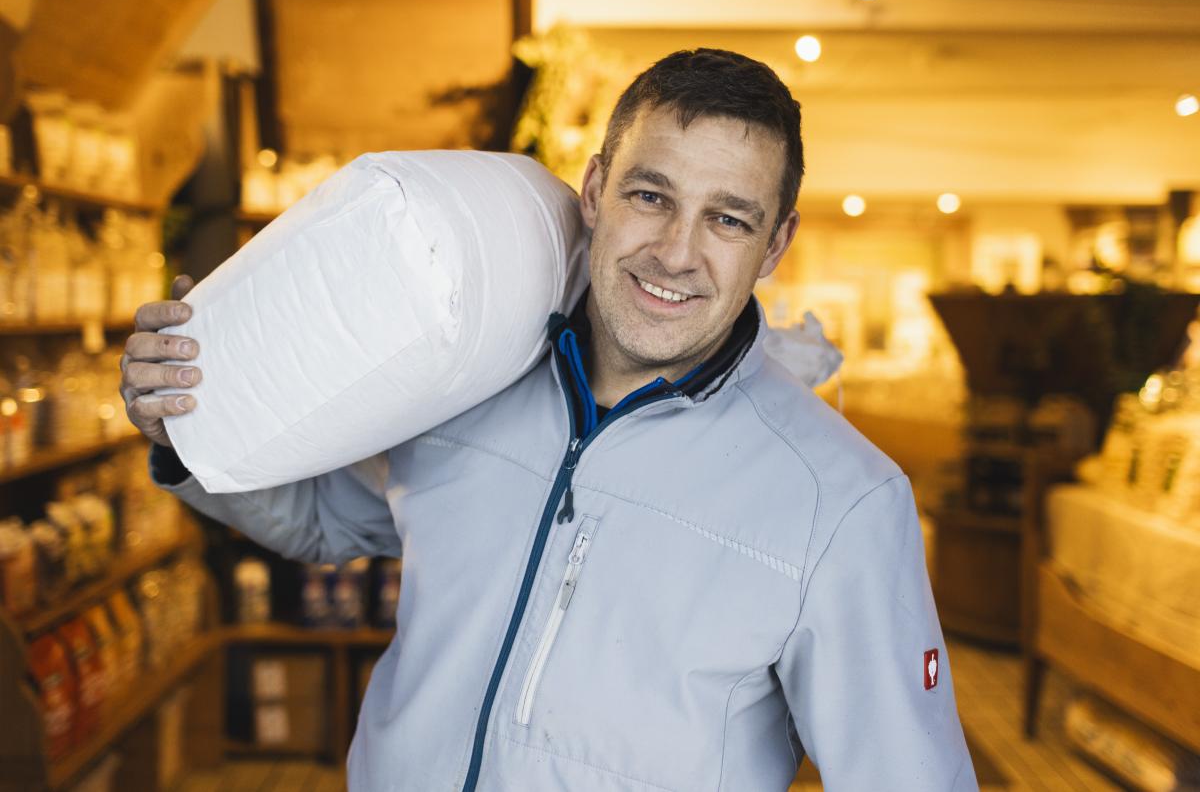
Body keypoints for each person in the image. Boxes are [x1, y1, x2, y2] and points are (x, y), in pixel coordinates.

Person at [120, 48, 977, 791]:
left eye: (727, 218)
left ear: (775, 245)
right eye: (651, 195)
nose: (676, 252)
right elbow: (320, 520)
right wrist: (187, 427)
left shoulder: (843, 501)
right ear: (597, 190)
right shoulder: (472, 380)